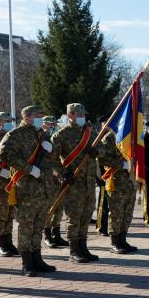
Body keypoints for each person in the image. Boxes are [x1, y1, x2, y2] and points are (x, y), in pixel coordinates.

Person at [0, 106, 59, 276]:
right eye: (37, 115)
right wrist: (28, 168)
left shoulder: (42, 134)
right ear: (27, 117)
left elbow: (53, 158)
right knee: (26, 225)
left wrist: (51, 150)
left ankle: (37, 258)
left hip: (44, 187)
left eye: (41, 115)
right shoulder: (15, 134)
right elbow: (4, 154)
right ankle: (27, 262)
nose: (40, 118)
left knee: (39, 225)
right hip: (26, 188)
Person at [51, 103, 99, 263]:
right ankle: (74, 250)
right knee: (74, 217)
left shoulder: (90, 133)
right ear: (70, 116)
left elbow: (103, 148)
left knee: (86, 215)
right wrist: (62, 174)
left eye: (83, 115)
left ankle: (83, 247)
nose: (82, 118)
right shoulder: (60, 135)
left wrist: (97, 151)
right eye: (79, 115)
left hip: (89, 181)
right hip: (74, 182)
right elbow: (51, 159)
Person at [96, 125, 138, 254]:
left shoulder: (133, 135)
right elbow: (102, 159)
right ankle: (114, 242)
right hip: (116, 180)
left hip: (130, 180)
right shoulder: (110, 138)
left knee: (127, 212)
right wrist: (122, 164)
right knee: (116, 213)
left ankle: (123, 240)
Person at [0, 111, 19, 257]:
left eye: (11, 120)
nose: (10, 122)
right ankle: (1, 244)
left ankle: (8, 242)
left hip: (13, 179)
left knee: (9, 213)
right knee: (0, 213)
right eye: (7, 120)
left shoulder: (13, 136)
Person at [42, 115, 69, 248]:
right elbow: (45, 160)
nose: (53, 126)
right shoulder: (41, 138)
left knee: (59, 206)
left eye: (54, 123)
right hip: (48, 178)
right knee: (49, 207)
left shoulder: (57, 138)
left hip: (59, 177)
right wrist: (56, 172)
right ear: (44, 124)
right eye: (50, 124)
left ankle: (56, 234)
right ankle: (47, 235)